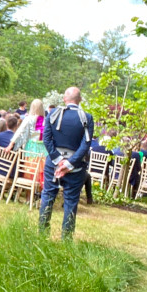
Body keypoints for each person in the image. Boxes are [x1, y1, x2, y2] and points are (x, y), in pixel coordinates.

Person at [39, 87, 94, 239]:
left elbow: (46, 140)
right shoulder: (87, 118)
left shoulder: (53, 114)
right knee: (71, 201)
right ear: (80, 100)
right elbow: (86, 144)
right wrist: (70, 164)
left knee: (48, 196)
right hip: (76, 167)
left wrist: (59, 160)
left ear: (64, 99)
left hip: (53, 164)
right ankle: (67, 239)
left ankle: (42, 234)